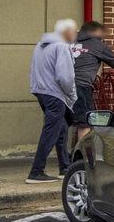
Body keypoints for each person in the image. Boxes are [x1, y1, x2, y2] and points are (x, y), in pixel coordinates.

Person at [28, 19, 78, 182]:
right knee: (51, 131)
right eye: (74, 31)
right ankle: (36, 171)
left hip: (41, 91)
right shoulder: (62, 47)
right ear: (66, 32)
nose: (75, 35)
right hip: (55, 94)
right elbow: (65, 77)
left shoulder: (40, 45)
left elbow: (33, 68)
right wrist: (71, 95)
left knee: (61, 128)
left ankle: (65, 167)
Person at [70, 20, 114, 156]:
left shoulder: (69, 42)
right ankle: (82, 157)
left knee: (63, 124)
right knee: (85, 122)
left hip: (61, 86)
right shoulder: (98, 45)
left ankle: (65, 160)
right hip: (81, 86)